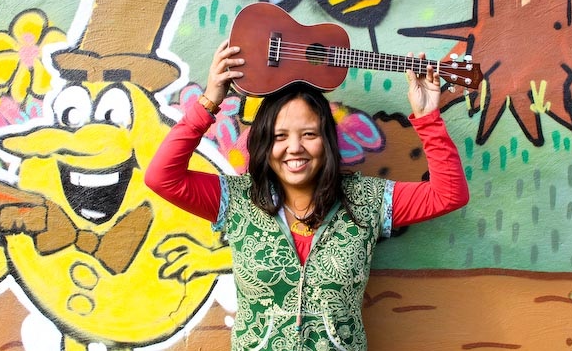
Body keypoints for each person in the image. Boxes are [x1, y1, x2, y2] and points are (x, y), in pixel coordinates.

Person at [145, 40, 470, 351]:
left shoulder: (367, 200)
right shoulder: (237, 199)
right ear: (264, 144)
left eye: (309, 134)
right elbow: (161, 177)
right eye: (280, 136)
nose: (294, 148)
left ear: (326, 141)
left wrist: (427, 117)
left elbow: (448, 194)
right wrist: (209, 102)